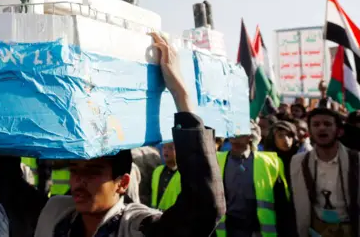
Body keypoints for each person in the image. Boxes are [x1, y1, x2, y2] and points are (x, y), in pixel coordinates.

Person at [34, 32, 224, 237]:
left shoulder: (137, 227)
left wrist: (180, 94)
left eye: (93, 172)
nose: (79, 181)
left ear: (123, 183)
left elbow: (203, 210)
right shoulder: (56, 217)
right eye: (74, 170)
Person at [216, 120, 294, 237]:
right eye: (232, 131)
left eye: (240, 131)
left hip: (258, 230)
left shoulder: (271, 162)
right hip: (228, 230)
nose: (235, 135)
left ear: (251, 136)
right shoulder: (217, 160)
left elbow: (283, 203)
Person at [290, 108, 359, 237]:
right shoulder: (298, 161)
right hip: (318, 228)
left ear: (339, 131)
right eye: (316, 125)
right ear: (310, 131)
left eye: (327, 124)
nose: (321, 128)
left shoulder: (356, 161)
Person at [263, 120, 299, 189]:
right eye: (280, 136)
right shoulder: (267, 161)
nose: (286, 140)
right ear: (273, 139)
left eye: (289, 135)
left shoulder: (300, 159)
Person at [150, 142, 180, 211]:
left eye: (170, 148)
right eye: (164, 147)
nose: (166, 150)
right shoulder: (157, 171)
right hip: (156, 214)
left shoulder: (184, 174)